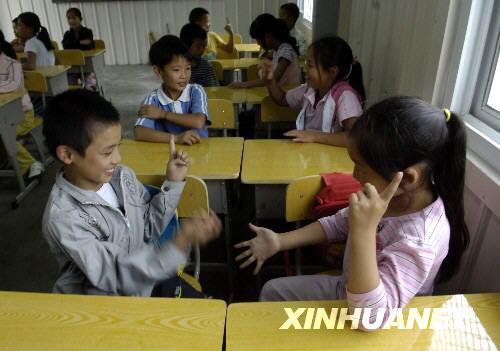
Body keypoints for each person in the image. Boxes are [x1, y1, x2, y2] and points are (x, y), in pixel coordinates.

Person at [235, 96, 469, 329]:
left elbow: (371, 319)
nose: (355, 175)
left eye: (361, 166)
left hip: (388, 324)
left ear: (406, 177)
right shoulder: (392, 195)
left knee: (275, 306)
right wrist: (279, 241)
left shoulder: (419, 238)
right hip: (351, 291)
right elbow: (339, 222)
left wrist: (363, 232)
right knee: (272, 292)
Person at [42, 89, 221, 296]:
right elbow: (115, 275)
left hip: (148, 278)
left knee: (208, 312)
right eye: (108, 152)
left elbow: (148, 229)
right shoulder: (64, 216)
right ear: (67, 154)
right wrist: (179, 242)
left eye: (118, 146)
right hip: (112, 306)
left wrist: (173, 182)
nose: (117, 158)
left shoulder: (121, 177)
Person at [260, 36, 365, 147]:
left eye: (310, 65)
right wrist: (270, 81)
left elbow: (356, 137)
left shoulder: (345, 96)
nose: (304, 69)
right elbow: (281, 99)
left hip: (330, 161)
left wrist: (313, 136)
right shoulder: (310, 89)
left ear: (332, 72)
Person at [135, 35, 210, 145]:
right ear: (158, 71)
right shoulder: (154, 99)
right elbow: (139, 132)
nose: (184, 75)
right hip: (167, 156)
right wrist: (176, 139)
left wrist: (163, 114)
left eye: (188, 68)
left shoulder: (196, 91)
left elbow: (198, 122)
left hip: (199, 152)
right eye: (176, 70)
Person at [0, 31, 44, 179]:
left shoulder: (13, 65)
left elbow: (13, 85)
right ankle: (8, 159)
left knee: (3, 134)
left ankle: (31, 164)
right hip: (3, 116)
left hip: (22, 116)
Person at [229, 14, 301, 89]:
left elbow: (274, 78)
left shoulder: (286, 50)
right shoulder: (278, 50)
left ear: (268, 35)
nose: (258, 43)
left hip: (288, 97)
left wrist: (244, 84)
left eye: (258, 39)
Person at [62, 7, 97, 91]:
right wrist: (80, 43)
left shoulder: (87, 31)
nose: (71, 21)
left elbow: (88, 46)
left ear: (80, 19)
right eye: (69, 18)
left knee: (90, 88)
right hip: (72, 67)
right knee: (71, 89)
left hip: (86, 65)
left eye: (74, 18)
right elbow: (65, 46)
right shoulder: (67, 34)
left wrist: (73, 44)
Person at [180, 23, 219, 87]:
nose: (202, 50)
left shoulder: (206, 66)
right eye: (198, 46)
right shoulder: (177, 69)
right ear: (186, 46)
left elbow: (215, 89)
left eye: (204, 46)